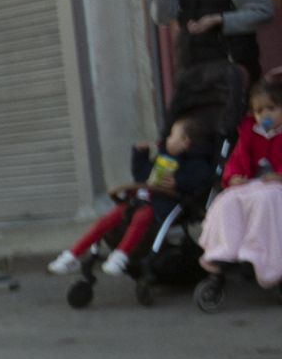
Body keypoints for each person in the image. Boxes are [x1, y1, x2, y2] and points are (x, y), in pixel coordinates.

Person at [47, 116, 213, 276]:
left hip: (162, 204)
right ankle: (72, 255)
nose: (167, 139)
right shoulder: (163, 157)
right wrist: (140, 155)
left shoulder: (196, 164)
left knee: (140, 218)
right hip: (140, 200)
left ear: (185, 142)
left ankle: (121, 256)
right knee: (105, 221)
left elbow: (201, 180)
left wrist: (177, 181)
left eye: (172, 135)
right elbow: (142, 176)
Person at [197, 76, 282, 287]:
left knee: (265, 200)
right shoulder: (250, 133)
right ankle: (224, 249)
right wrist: (233, 177)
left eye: (271, 109)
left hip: (276, 187)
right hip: (254, 184)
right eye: (259, 111)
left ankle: (257, 253)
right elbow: (237, 159)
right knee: (227, 200)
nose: (265, 116)